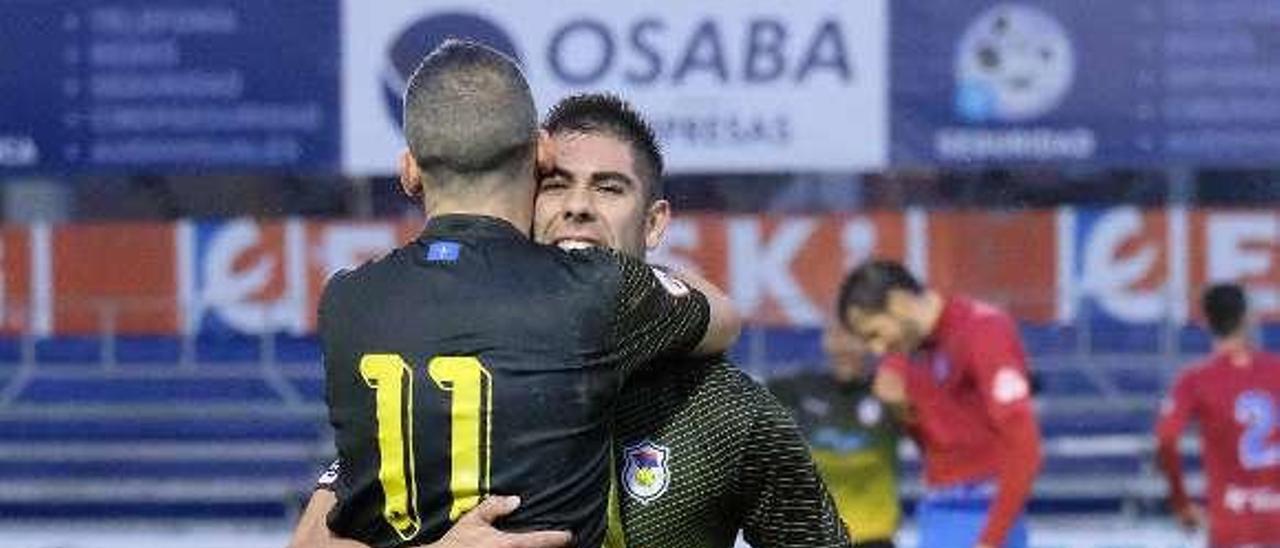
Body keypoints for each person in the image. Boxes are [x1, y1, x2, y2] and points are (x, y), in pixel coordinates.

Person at [293, 93, 851, 548]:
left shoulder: (728, 409)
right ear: (521, 194)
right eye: (556, 184)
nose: (579, 206)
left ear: (654, 222)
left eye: (610, 188)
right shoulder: (432, 389)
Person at [321, 41, 739, 548]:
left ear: (409, 171)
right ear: (542, 153)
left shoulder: (346, 302)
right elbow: (724, 317)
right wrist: (606, 261)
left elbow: (308, 541)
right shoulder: (596, 292)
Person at [839, 260, 1041, 548]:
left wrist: (990, 541)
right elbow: (940, 446)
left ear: (899, 303)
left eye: (875, 334)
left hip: (985, 513)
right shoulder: (904, 355)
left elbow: (1025, 446)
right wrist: (903, 413)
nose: (876, 349)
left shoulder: (982, 330)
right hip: (938, 513)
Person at [1156, 283, 1280, 546]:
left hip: (1230, 526)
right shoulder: (1276, 370)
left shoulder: (1196, 380)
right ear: (1247, 318)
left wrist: (1181, 503)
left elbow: (1166, 439)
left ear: (1205, 322)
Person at [769, 319, 901, 547]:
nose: (845, 346)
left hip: (874, 537)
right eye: (837, 336)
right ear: (825, 341)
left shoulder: (888, 392)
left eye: (853, 338)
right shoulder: (799, 388)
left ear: (869, 343)